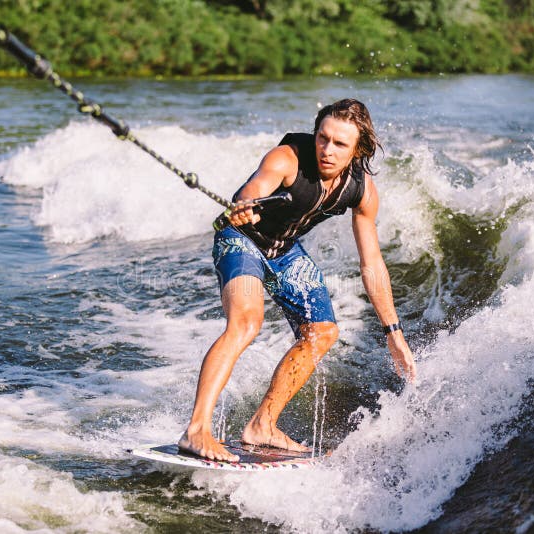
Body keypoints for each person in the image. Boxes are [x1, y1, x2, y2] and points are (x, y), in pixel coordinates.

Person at [179, 98, 417, 462]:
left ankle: (263, 424)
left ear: (359, 149)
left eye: (340, 144)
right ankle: (197, 431)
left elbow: (372, 262)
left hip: (284, 250)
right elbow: (255, 188)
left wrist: (393, 332)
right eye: (323, 138)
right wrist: (246, 205)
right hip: (241, 239)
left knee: (323, 331)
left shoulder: (361, 190)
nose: (327, 150)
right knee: (246, 323)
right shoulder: (288, 158)